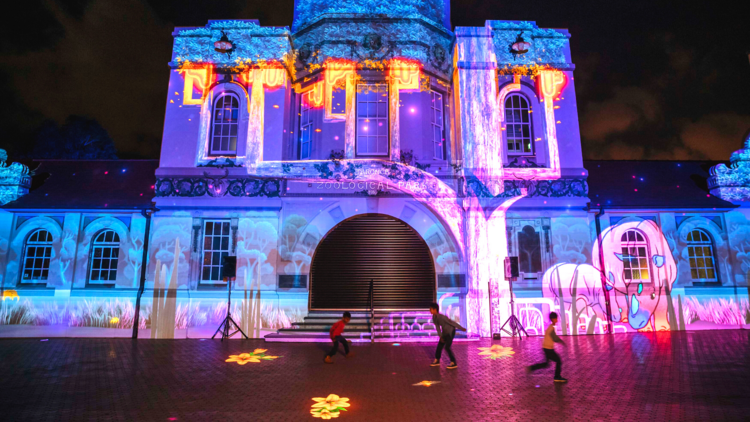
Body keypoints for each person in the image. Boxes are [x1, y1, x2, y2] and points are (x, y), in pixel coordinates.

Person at [527, 312, 567, 382]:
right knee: (558, 361)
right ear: (553, 319)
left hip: (546, 347)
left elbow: (553, 337)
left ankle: (531, 368)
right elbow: (554, 338)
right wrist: (561, 342)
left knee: (546, 364)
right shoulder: (551, 328)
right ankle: (557, 377)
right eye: (556, 319)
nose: (557, 320)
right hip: (548, 349)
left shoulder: (550, 327)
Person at [429, 302, 467, 369]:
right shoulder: (434, 317)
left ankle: (453, 362)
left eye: (431, 309)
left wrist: (461, 328)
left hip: (450, 331)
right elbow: (437, 327)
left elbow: (451, 323)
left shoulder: (442, 317)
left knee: (447, 347)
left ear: (435, 309)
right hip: (444, 332)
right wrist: (440, 336)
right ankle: (437, 360)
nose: (430, 310)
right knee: (440, 346)